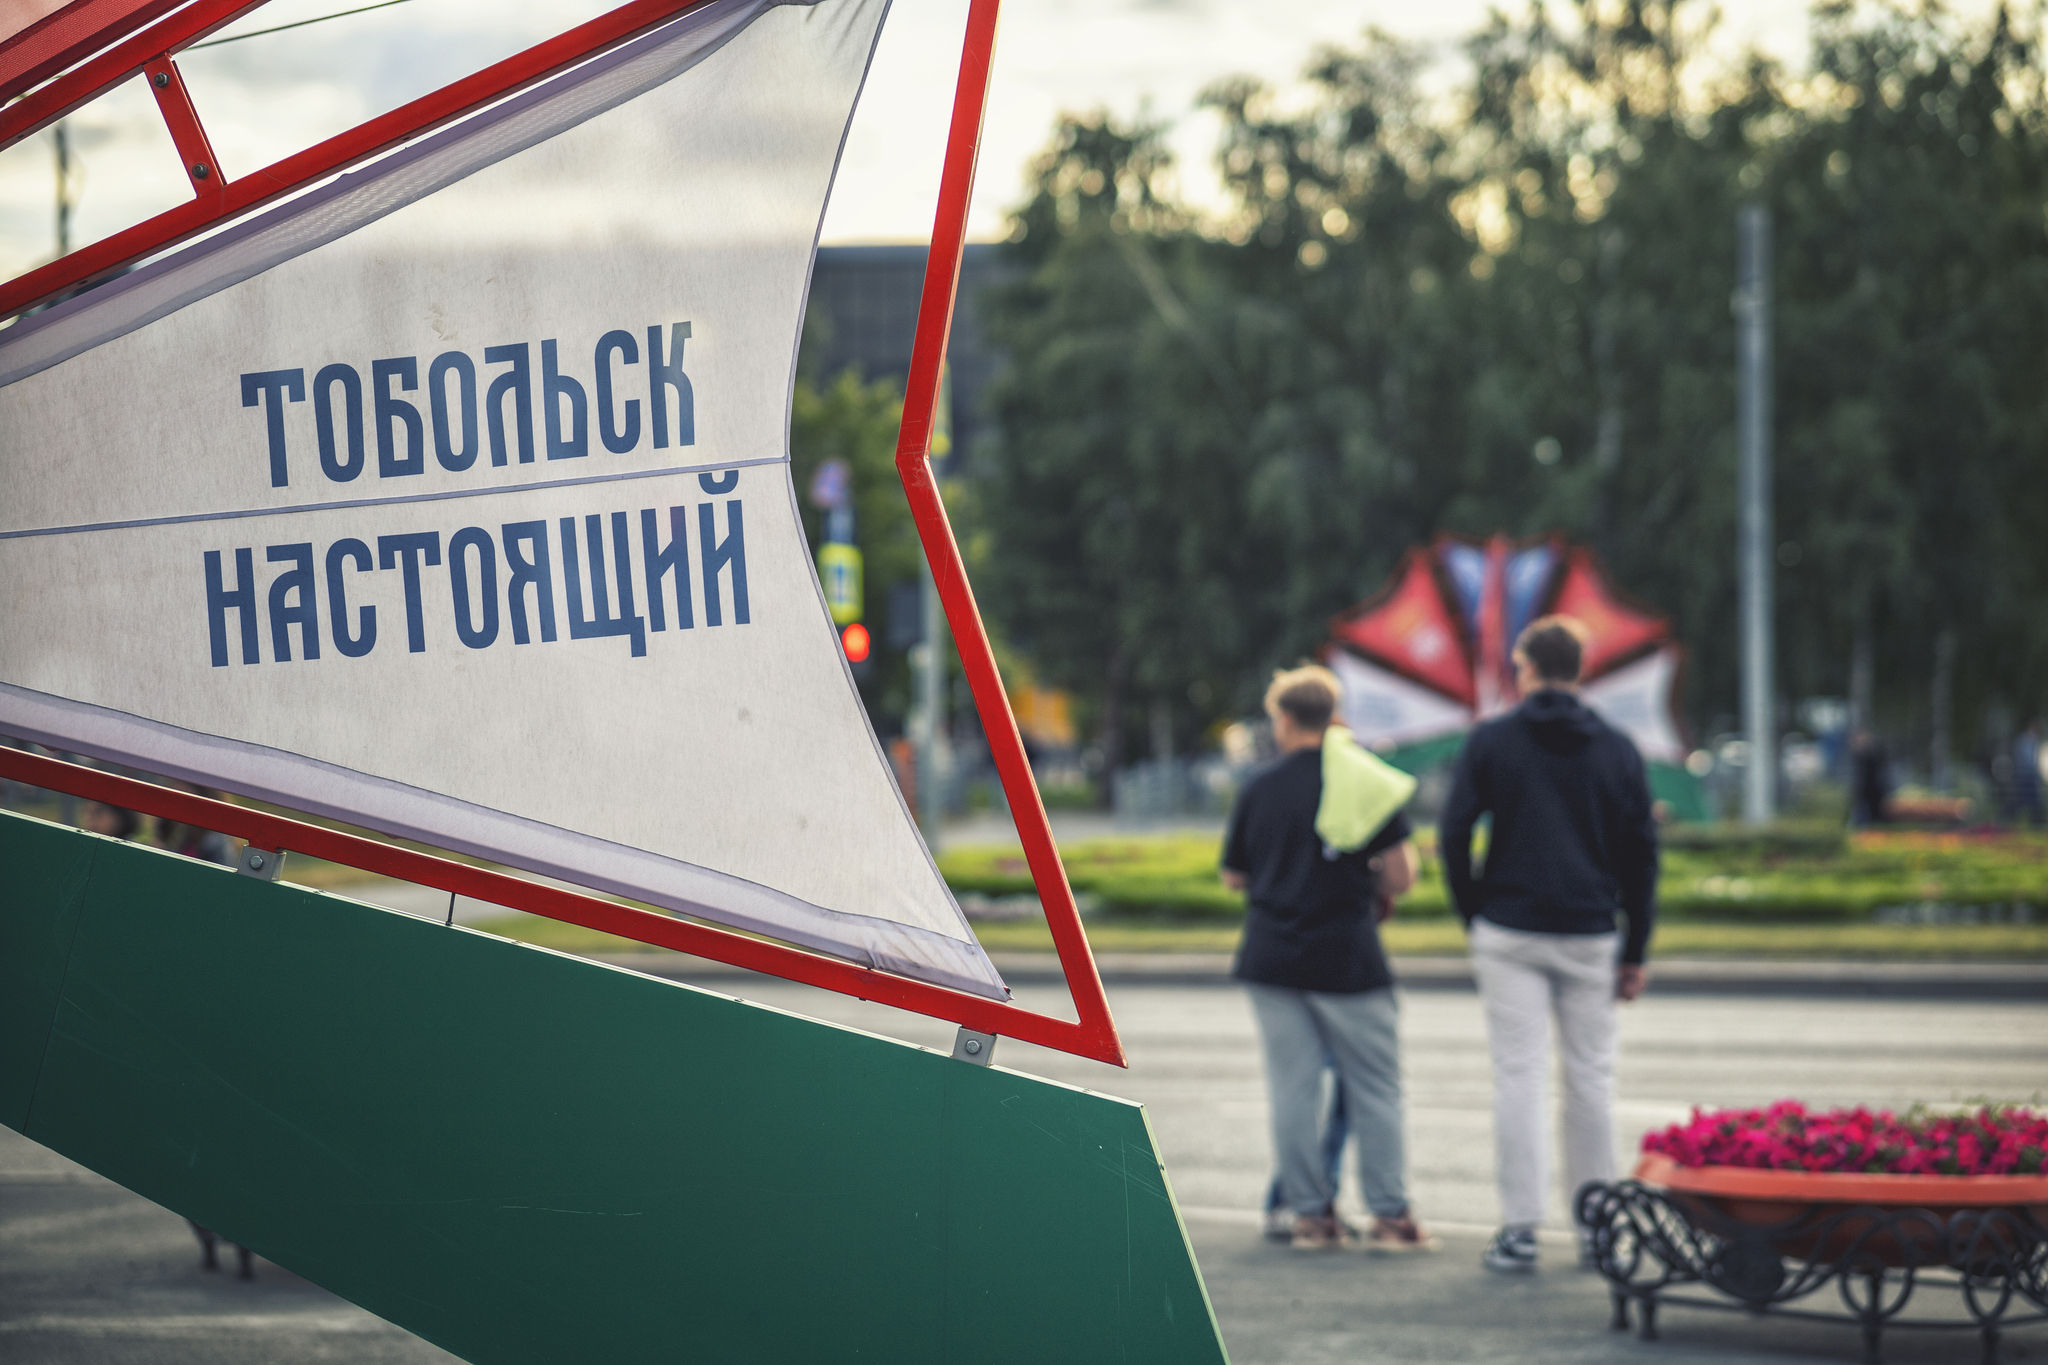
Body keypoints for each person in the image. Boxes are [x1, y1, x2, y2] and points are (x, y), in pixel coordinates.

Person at [1438, 618, 1658, 1274]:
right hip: (1591, 930)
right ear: (1581, 669)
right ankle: (1596, 1230)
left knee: (1519, 1076)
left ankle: (1520, 1230)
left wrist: (1474, 910)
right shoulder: (1618, 748)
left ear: (1524, 668)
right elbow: (1642, 853)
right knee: (1591, 1080)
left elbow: (1453, 832)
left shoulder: (1492, 740)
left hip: (1509, 927)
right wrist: (1636, 946)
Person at [1221, 665, 1436, 1253]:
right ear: (1333, 714)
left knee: (1292, 1089)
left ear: (1284, 719)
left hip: (1271, 958)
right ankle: (1392, 1217)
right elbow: (1402, 874)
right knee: (1376, 1087)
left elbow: (1234, 875)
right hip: (1348, 958)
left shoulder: (1258, 788)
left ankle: (1311, 1216)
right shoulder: (1363, 781)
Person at [2012, 722, 2045, 828]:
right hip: (2024, 774)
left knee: (2032, 801)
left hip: (2031, 775)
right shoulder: (2024, 740)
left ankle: (2035, 822)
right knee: (2023, 799)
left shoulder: (2035, 741)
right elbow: (2025, 760)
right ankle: (2014, 819)